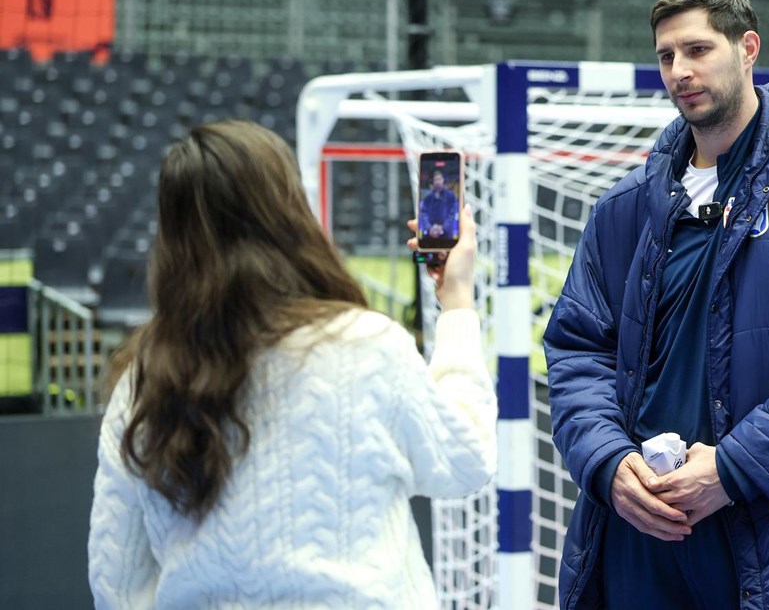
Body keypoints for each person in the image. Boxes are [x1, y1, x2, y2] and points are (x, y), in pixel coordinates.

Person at [544, 0, 769, 609]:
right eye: (666, 56)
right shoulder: (623, 208)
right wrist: (607, 463)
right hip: (644, 538)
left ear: (748, 48)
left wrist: (732, 469)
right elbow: (577, 352)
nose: (680, 70)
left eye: (699, 49)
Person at [88, 120, 495, 608]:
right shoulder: (366, 344)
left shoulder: (142, 381)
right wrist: (457, 301)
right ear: (288, 213)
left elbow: (116, 582)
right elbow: (465, 459)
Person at [419, 168, 460, 240]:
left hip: (446, 234)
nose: (437, 181)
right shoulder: (428, 197)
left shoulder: (450, 196)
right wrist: (429, 228)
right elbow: (424, 213)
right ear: (433, 181)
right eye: (436, 180)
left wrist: (443, 228)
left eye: (439, 179)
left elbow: (452, 214)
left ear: (443, 180)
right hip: (430, 233)